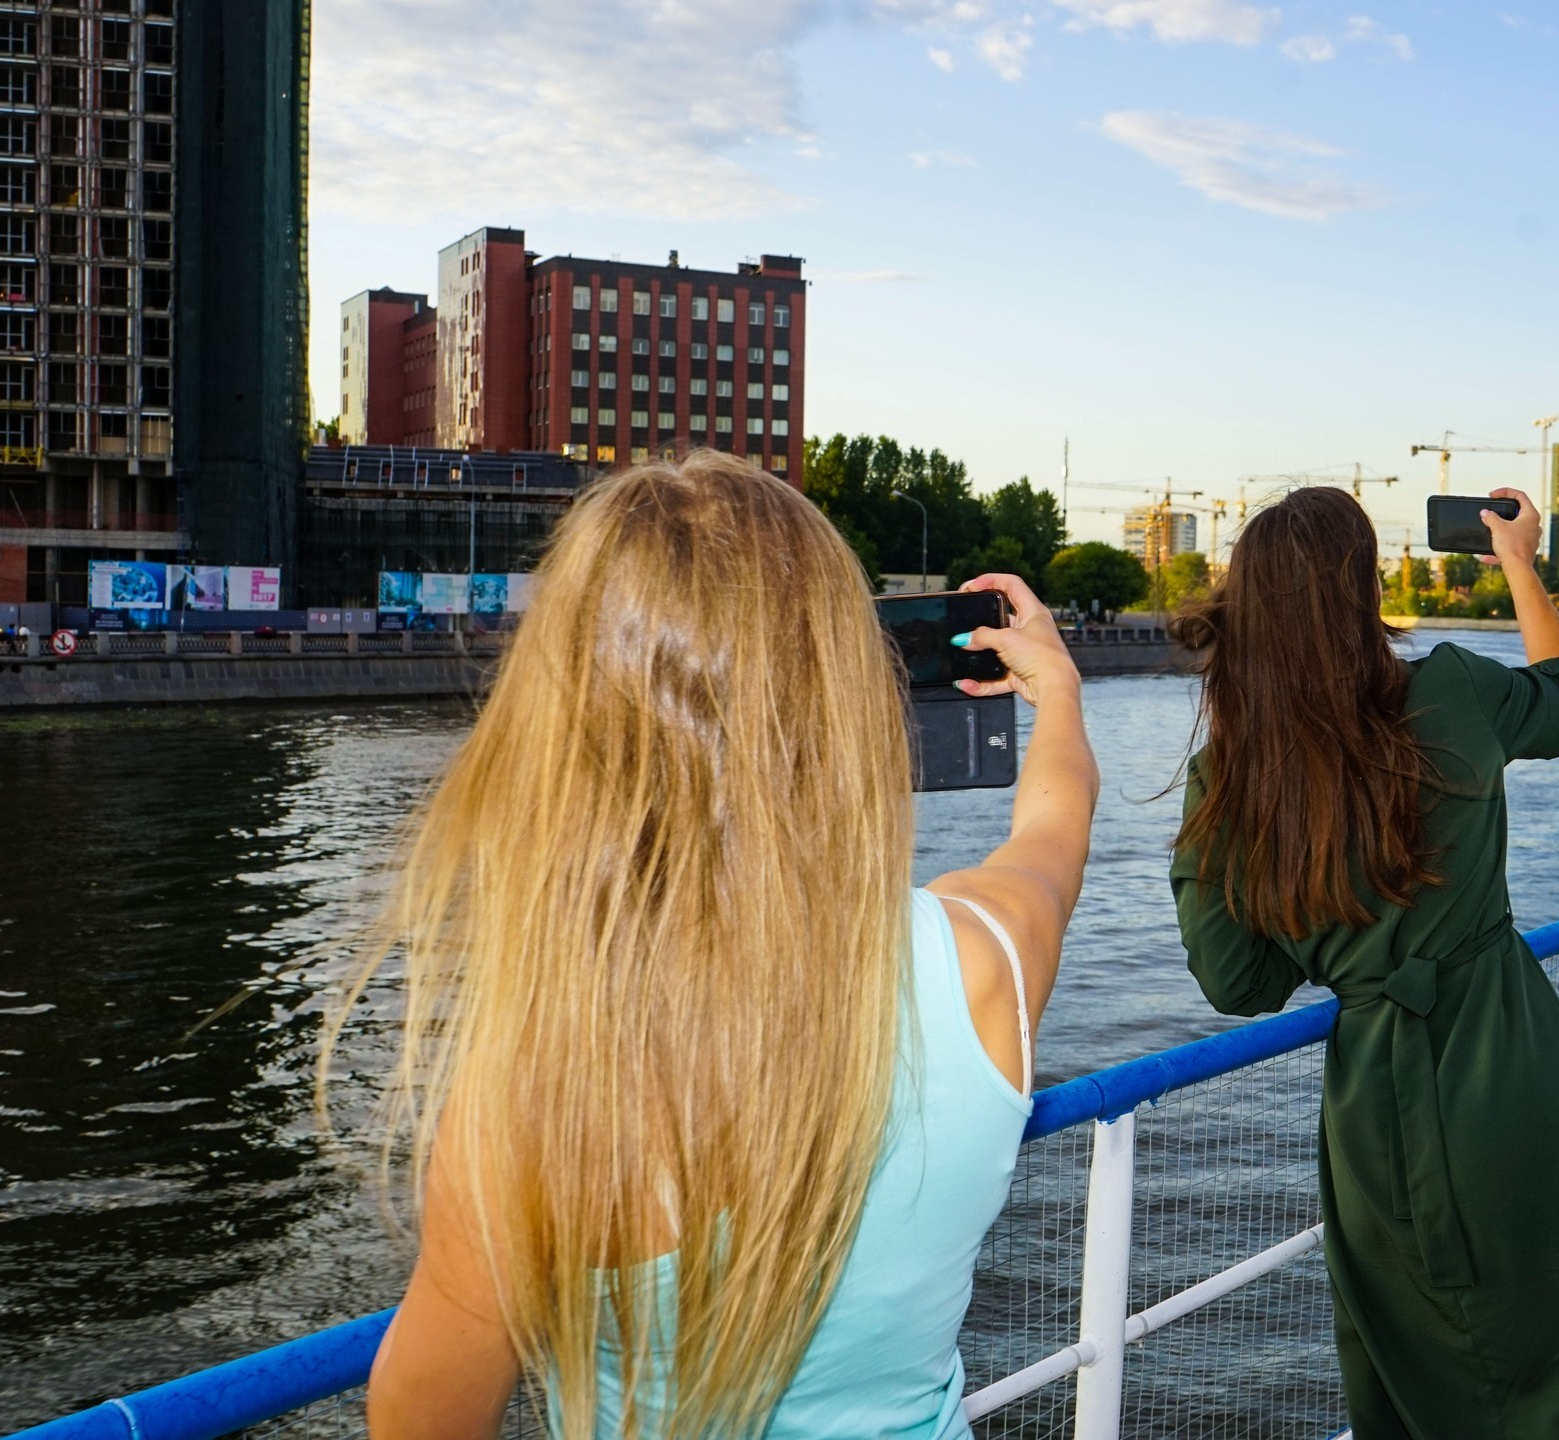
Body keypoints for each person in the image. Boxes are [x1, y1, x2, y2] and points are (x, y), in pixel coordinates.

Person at [322, 452, 1100, 1440]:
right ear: (850, 694)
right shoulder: (982, 964)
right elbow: (1053, 830)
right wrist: (1059, 693)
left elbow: (422, 1421)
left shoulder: (534, 1093)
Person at [1168, 485, 1559, 1439]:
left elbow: (1238, 982)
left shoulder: (1235, 771)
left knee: (1413, 1350)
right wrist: (1519, 565)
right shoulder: (1450, 688)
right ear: (1363, 590)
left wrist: (1225, 826)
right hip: (1508, 1056)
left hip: (1375, 1104)